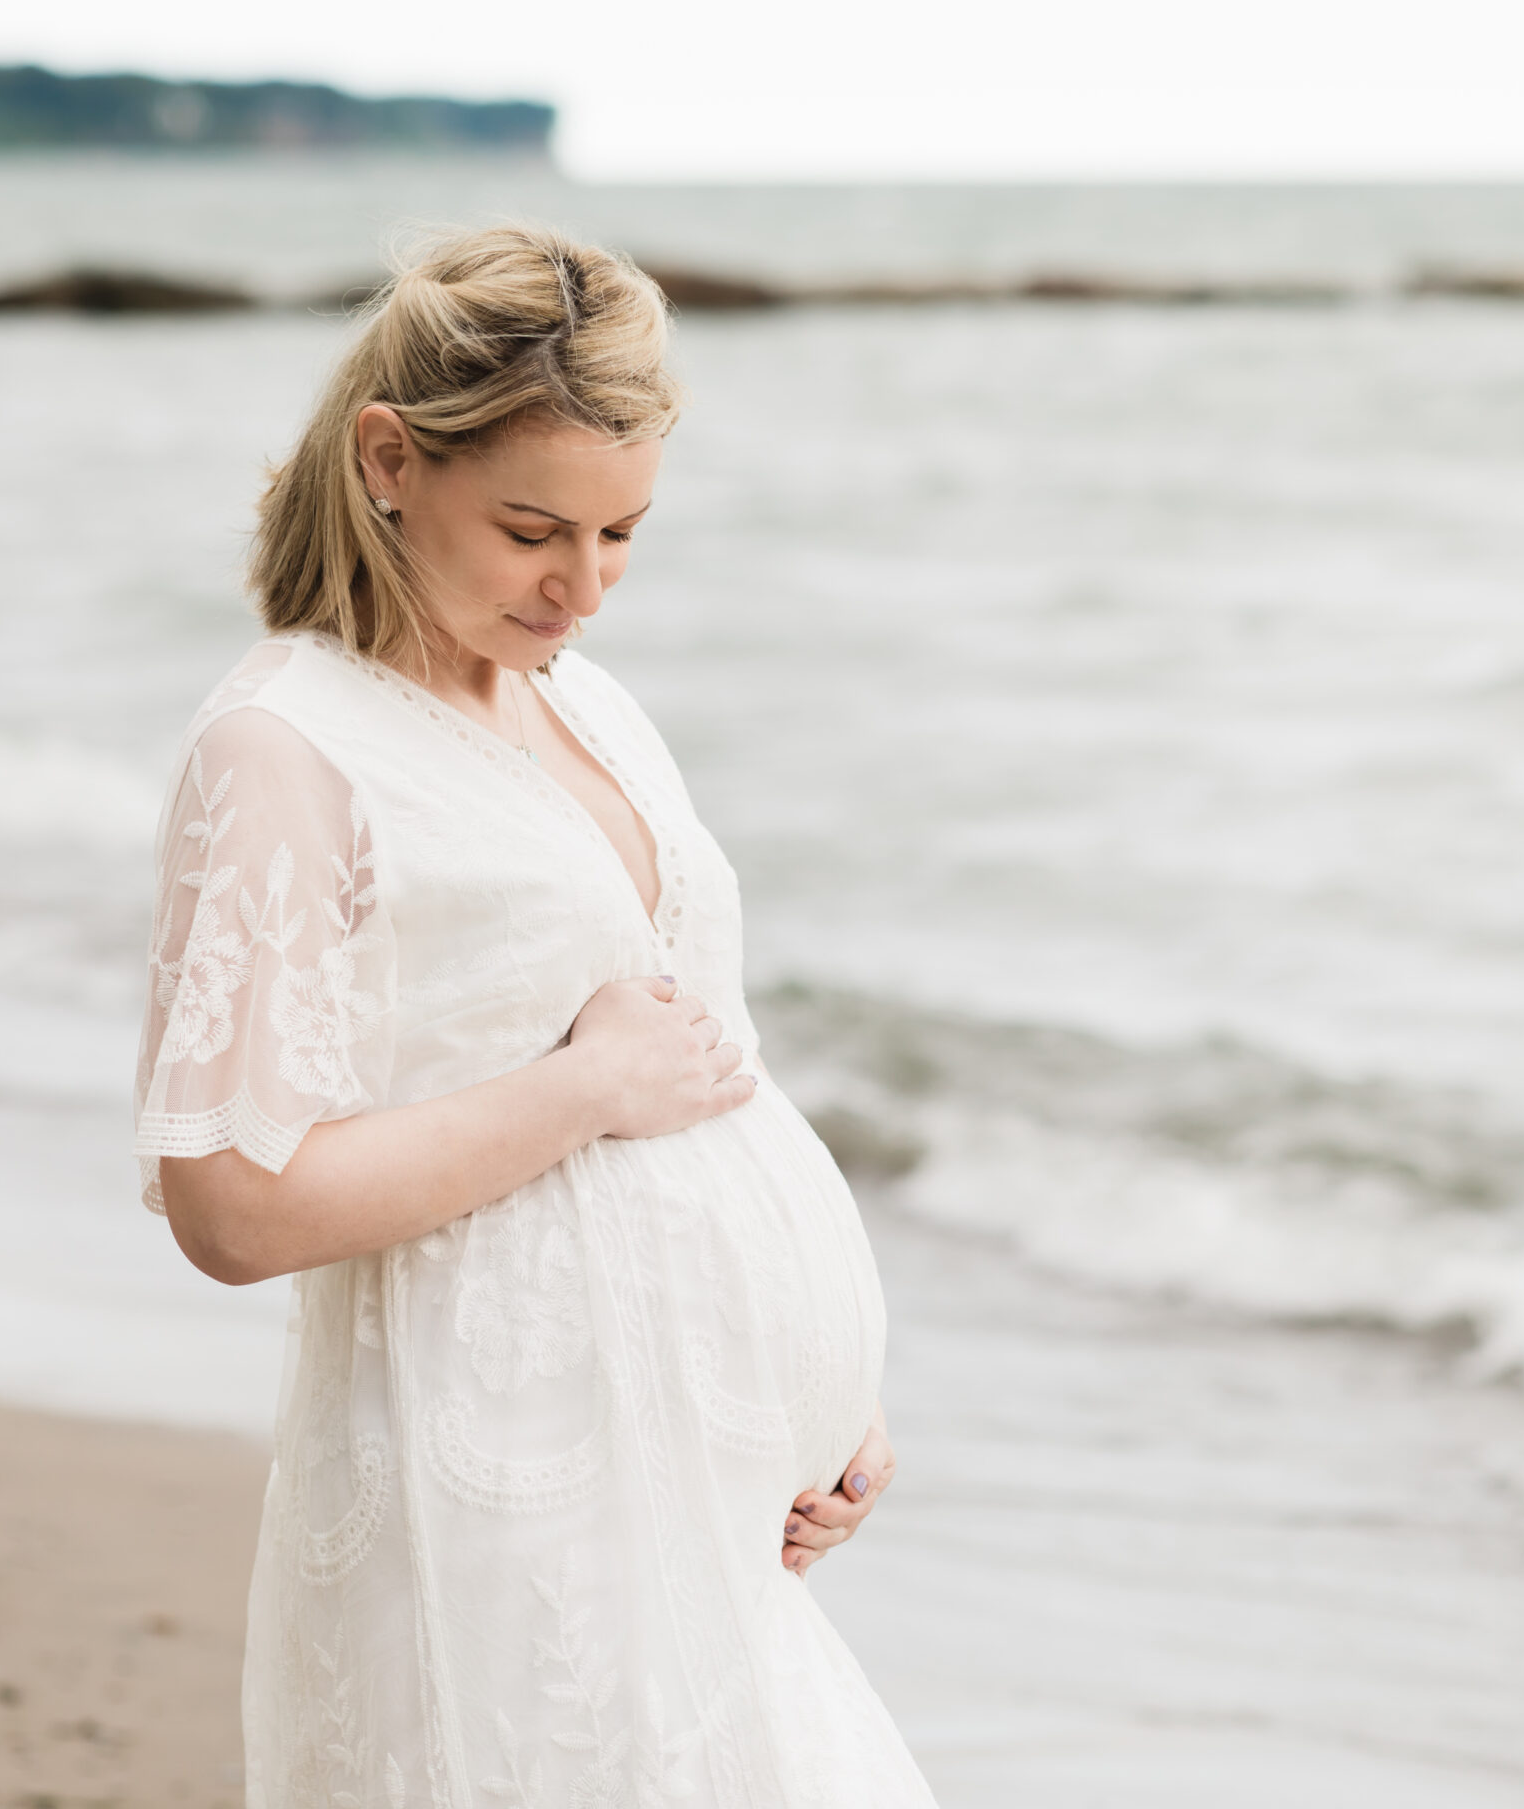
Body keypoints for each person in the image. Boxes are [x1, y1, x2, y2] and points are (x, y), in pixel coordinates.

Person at [135, 226, 935, 1807]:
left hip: (700, 1500)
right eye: (530, 529)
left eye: (624, 534)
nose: (580, 586)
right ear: (387, 459)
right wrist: (576, 1096)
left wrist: (833, 1411)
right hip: (504, 1496)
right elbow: (227, 1200)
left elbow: (700, 1072)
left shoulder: (588, 702)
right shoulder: (286, 752)